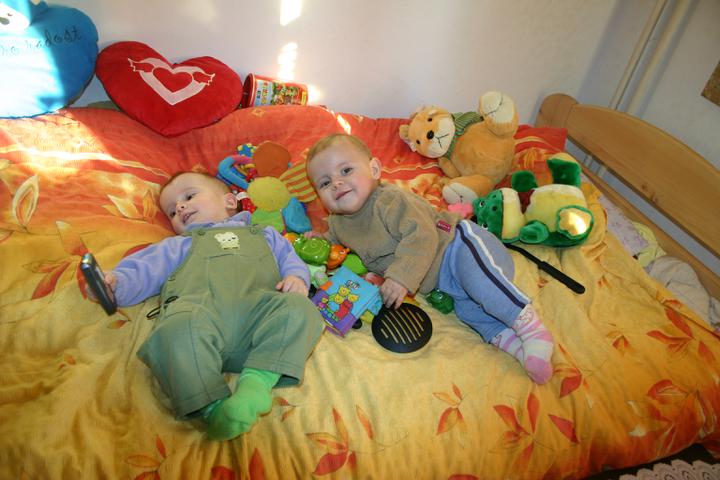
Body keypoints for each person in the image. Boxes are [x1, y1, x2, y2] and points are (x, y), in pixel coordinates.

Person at [89, 172, 324, 440]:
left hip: (261, 320)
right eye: (172, 212)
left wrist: (296, 278)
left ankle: (255, 386)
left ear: (229, 201)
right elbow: (143, 271)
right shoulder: (178, 245)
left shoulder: (266, 235)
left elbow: (290, 260)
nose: (180, 207)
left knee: (301, 310)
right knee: (173, 329)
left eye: (189, 196)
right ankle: (214, 408)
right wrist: (114, 283)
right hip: (201, 324)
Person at [305, 134, 554, 384]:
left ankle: (533, 331)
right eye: (325, 183)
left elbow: (422, 236)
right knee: (470, 312)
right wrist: (319, 242)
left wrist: (400, 278)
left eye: (346, 170)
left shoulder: (389, 201)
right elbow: (335, 245)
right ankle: (519, 351)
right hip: (443, 281)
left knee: (482, 288)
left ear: (375, 169)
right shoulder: (338, 223)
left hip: (457, 246)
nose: (337, 183)